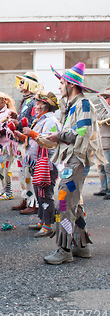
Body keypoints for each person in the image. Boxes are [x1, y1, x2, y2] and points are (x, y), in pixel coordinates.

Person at [43, 62, 99, 265]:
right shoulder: (73, 105)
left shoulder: (83, 104)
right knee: (73, 203)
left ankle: (64, 249)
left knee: (64, 202)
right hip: (72, 161)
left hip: (76, 161)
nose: (59, 86)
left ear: (70, 84)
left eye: (61, 82)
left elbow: (84, 133)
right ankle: (80, 245)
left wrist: (59, 136)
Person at [13, 90, 61, 237]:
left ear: (45, 105)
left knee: (46, 194)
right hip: (37, 163)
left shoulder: (51, 121)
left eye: (39, 102)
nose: (36, 105)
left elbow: (49, 141)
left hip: (47, 164)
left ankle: (47, 226)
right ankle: (42, 220)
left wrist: (31, 133)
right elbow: (34, 141)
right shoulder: (40, 119)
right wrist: (21, 136)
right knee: (39, 193)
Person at [10, 72, 43, 215]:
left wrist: (18, 123)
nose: (20, 84)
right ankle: (26, 197)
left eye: (22, 82)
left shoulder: (33, 100)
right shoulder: (25, 100)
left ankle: (33, 202)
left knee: (29, 172)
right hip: (21, 140)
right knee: (22, 172)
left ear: (30, 84)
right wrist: (16, 118)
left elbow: (34, 124)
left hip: (27, 142)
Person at [93, 88, 110, 199]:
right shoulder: (103, 109)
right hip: (100, 141)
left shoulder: (108, 110)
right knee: (101, 167)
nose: (104, 99)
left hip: (108, 142)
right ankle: (104, 188)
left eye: (106, 97)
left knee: (108, 167)